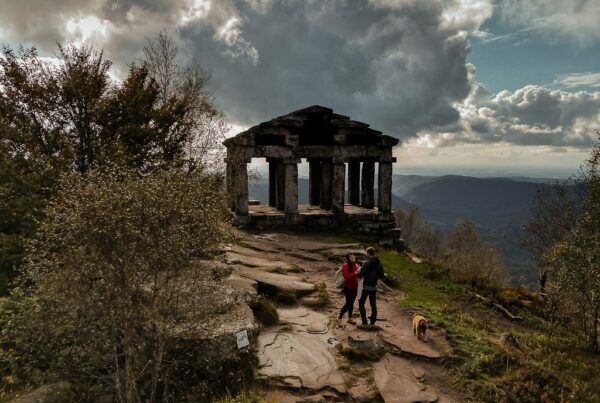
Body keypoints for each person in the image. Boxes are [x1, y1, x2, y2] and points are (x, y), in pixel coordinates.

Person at [357, 247, 385, 326]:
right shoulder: (379, 263)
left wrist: (356, 273)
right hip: (373, 287)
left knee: (361, 303)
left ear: (368, 253)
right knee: (373, 304)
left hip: (365, 287)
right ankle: (372, 322)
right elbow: (381, 275)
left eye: (366, 253)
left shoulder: (366, 263)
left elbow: (360, 275)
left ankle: (364, 321)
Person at [338, 253, 359, 325]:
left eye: (353, 256)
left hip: (355, 287)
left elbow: (357, 275)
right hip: (348, 288)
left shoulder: (355, 264)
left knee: (351, 303)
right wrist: (355, 273)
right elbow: (347, 276)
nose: (353, 257)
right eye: (351, 256)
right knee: (348, 303)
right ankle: (339, 318)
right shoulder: (345, 265)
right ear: (348, 258)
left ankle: (350, 318)